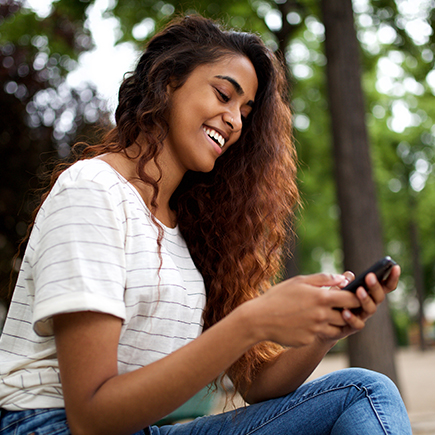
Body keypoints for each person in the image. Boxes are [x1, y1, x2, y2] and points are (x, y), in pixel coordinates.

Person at [0, 15, 411, 435]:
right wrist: (253, 320)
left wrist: (326, 330)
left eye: (245, 112)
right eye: (223, 94)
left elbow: (258, 383)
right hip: (46, 425)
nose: (234, 120)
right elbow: (91, 417)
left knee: (362, 392)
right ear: (167, 83)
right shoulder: (93, 190)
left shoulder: (190, 230)